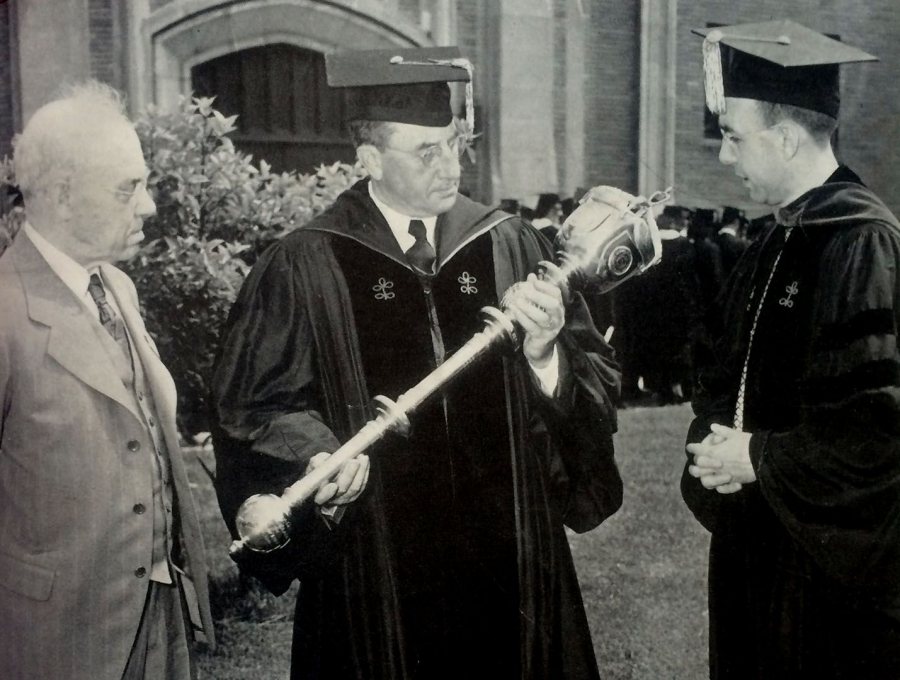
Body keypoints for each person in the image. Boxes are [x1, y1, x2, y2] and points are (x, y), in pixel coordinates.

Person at [211, 47, 623, 680]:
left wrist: (545, 357)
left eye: (454, 143)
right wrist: (317, 454)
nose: (450, 166)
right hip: (377, 571)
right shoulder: (306, 263)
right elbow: (254, 406)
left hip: (509, 560)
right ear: (369, 158)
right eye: (425, 152)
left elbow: (592, 370)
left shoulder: (507, 241)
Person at [681, 20, 900, 679]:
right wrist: (715, 448)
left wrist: (757, 457)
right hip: (759, 538)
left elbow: (883, 424)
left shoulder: (864, 243)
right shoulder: (776, 240)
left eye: (735, 137)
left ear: (781, 137)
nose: (726, 157)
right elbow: (724, 377)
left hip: (826, 568)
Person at [0, 82, 214, 679]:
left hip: (159, 615)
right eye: (128, 188)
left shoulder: (116, 287)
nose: (147, 206)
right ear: (64, 196)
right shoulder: (4, 311)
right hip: (55, 642)